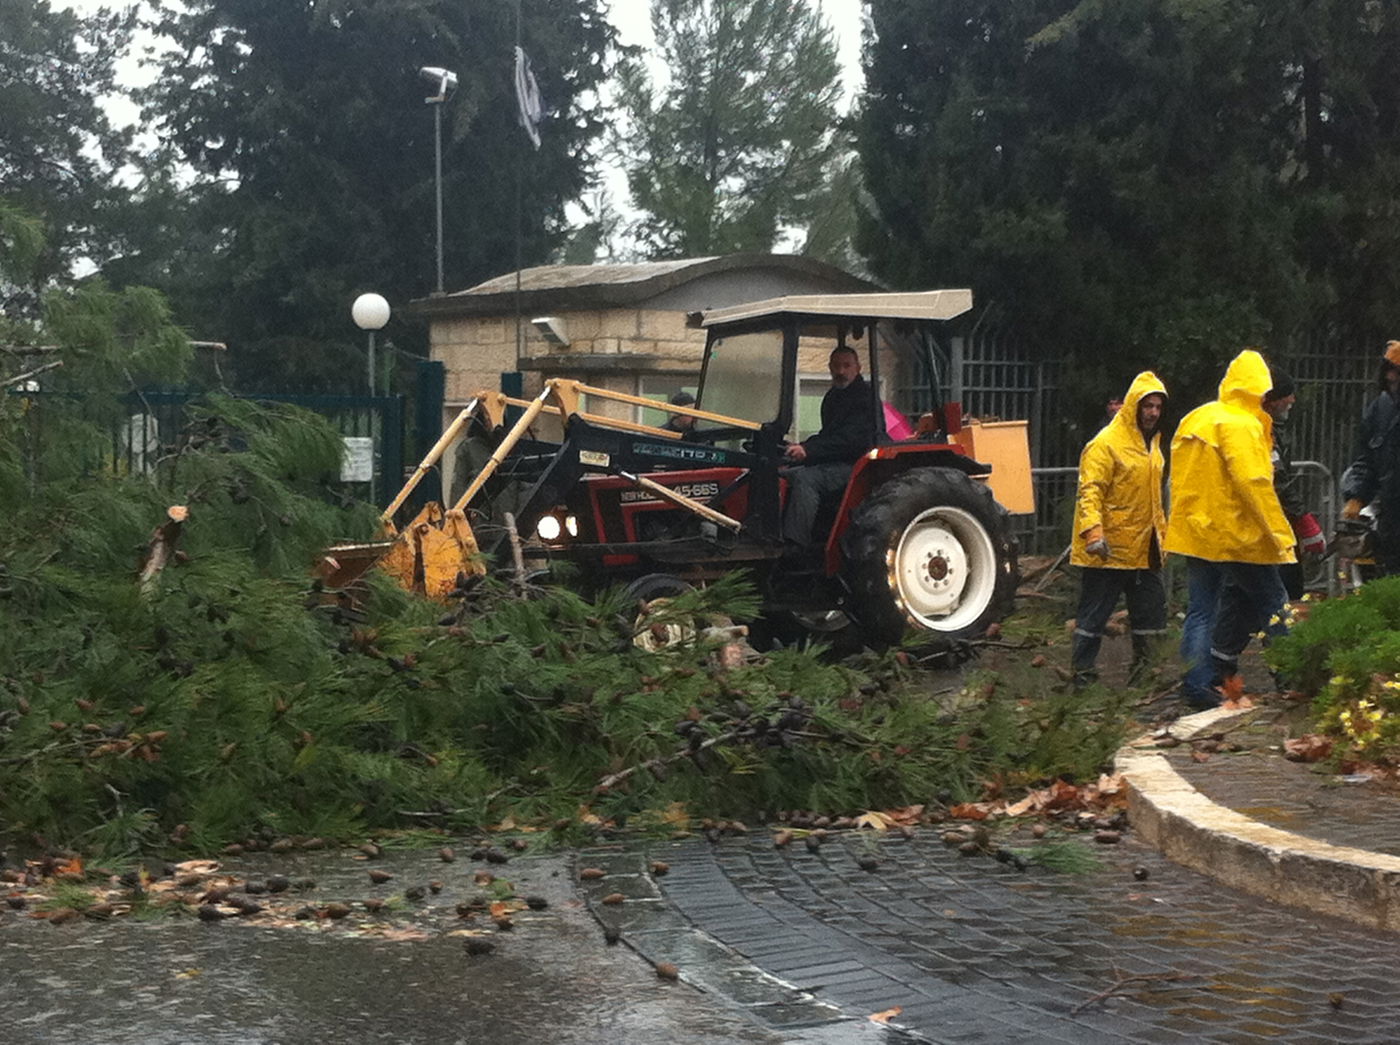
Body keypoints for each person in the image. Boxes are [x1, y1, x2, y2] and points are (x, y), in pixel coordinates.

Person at [1164, 350, 1296, 709]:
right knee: (1275, 604)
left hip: (1197, 533)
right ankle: (1294, 675)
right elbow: (1253, 483)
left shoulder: (1197, 418)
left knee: (1200, 610)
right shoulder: (1243, 425)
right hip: (1239, 536)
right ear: (1261, 389)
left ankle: (1196, 685)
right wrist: (1280, 536)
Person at [1068, 372, 1169, 686]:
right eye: (1147, 405)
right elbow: (1090, 491)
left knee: (1151, 617)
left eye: (1157, 406)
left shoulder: (1151, 443)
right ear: (1133, 407)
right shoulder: (1106, 444)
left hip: (1144, 548)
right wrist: (1093, 534)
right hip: (1109, 549)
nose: (1152, 412)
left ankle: (1144, 677)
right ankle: (1082, 676)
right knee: (1093, 617)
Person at [781, 345, 872, 545]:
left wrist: (809, 450)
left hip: (857, 465)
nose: (841, 371)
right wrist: (801, 447)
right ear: (830, 367)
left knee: (806, 479)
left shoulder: (865, 398)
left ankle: (795, 544)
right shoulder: (833, 397)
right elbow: (829, 436)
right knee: (782, 474)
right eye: (837, 366)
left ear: (858, 367)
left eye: (846, 366)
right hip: (835, 461)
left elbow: (851, 441)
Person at [1262, 370, 1326, 598]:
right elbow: (1277, 481)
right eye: (1287, 395)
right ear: (1272, 400)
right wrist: (1303, 518)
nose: (1292, 400)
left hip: (1276, 526)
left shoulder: (1272, 431)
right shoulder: (1263, 432)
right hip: (1268, 530)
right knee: (1277, 595)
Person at [1341, 341, 1400, 575]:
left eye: (1395, 371)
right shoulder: (1381, 409)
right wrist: (1357, 495)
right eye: (1387, 370)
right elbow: (1366, 457)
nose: (1390, 377)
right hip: (1391, 517)